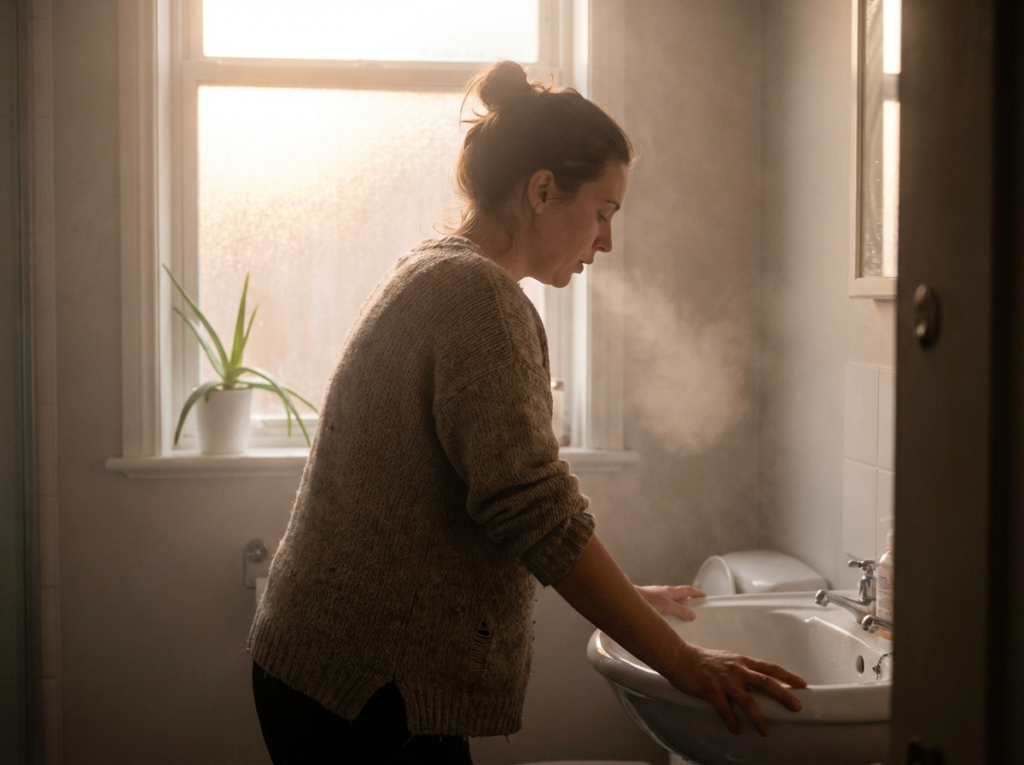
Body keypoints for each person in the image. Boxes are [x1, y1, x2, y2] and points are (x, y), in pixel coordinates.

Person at [248, 60, 807, 765]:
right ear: (543, 190)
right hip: (365, 688)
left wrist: (627, 597)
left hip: (329, 669)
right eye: (603, 213)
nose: (606, 241)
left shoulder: (435, 268)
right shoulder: (479, 299)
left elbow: (485, 501)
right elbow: (534, 509)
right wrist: (683, 661)